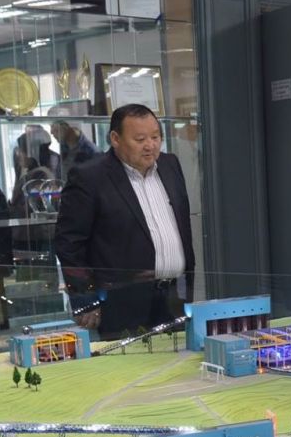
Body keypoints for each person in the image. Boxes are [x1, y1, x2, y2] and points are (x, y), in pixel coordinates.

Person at [55, 103, 196, 340]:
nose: (150, 145)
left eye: (155, 137)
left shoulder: (170, 164)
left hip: (175, 297)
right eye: (140, 139)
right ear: (115, 139)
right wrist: (85, 299)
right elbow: (68, 243)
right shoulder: (90, 176)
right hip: (120, 302)